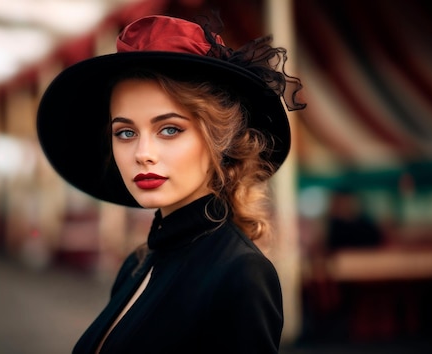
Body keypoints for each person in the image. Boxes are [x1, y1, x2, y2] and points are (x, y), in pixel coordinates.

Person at [36, 13, 305, 354]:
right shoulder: (137, 264)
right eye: (126, 132)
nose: (142, 154)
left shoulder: (241, 274)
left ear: (219, 140)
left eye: (169, 129)